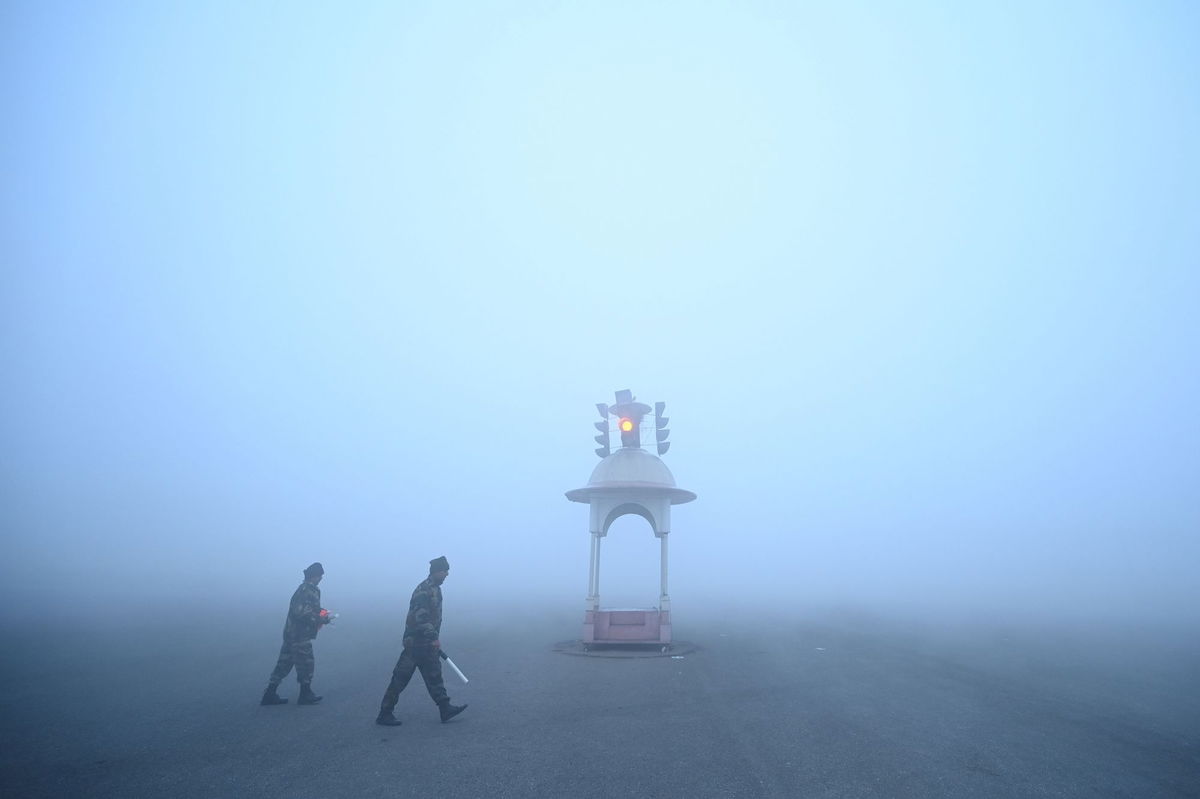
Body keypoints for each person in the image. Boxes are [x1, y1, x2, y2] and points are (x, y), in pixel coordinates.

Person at [376, 556, 467, 726]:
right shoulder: (423, 590)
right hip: (416, 643)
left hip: (426, 645)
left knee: (434, 676)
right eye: (444, 571)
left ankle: (445, 708)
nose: (447, 574)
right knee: (400, 679)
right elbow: (420, 617)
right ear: (436, 571)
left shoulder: (435, 589)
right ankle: (385, 713)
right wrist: (433, 637)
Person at [260, 562, 331, 706]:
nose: (321, 578)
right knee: (306, 663)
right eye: (320, 575)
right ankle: (305, 694)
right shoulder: (306, 590)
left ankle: (270, 693)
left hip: (292, 633)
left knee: (284, 664)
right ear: (314, 576)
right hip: (299, 634)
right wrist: (319, 619)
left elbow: (309, 608)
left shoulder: (308, 590)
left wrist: (322, 612)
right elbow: (300, 612)